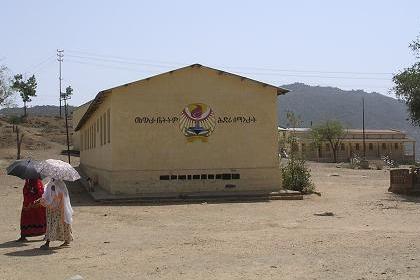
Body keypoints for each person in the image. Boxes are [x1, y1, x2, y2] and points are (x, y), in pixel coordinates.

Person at [37, 178, 74, 250]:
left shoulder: (60, 184)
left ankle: (47, 242)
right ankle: (67, 240)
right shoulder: (50, 183)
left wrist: (56, 202)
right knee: (53, 224)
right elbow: (46, 194)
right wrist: (43, 200)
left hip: (58, 208)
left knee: (55, 224)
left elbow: (62, 196)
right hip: (50, 208)